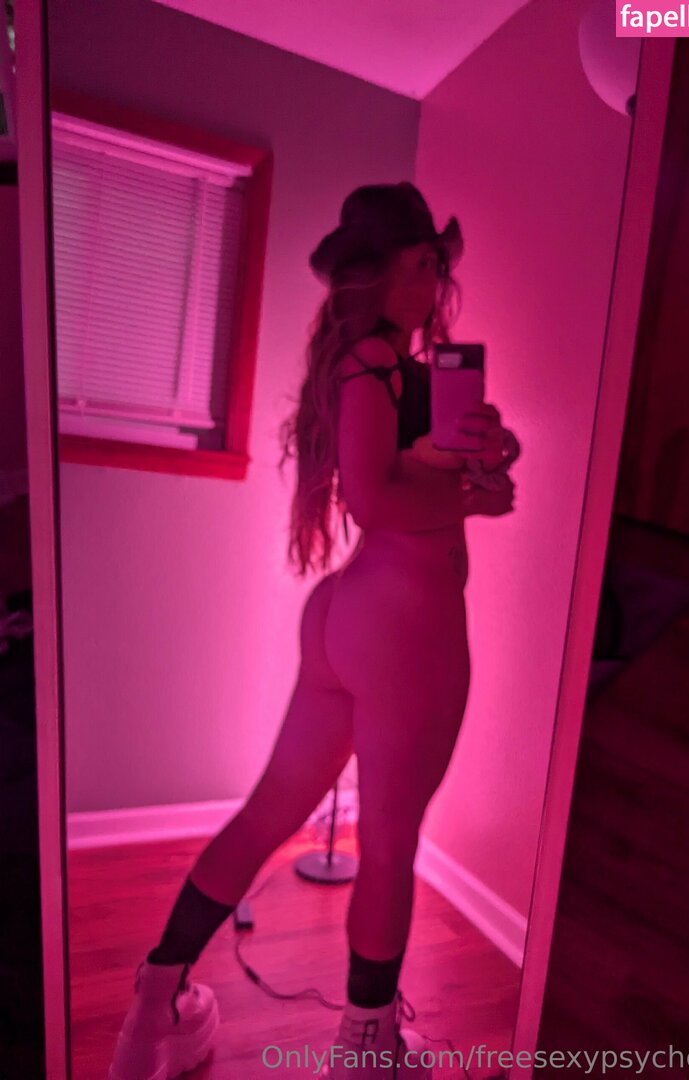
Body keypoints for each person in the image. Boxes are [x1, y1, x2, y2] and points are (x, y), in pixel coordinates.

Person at [107, 181, 519, 1080]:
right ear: (378, 274)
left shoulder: (389, 369)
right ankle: (367, 1050)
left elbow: (406, 481)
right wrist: (473, 504)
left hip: (348, 617)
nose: (437, 278)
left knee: (270, 812)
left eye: (438, 262)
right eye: (423, 261)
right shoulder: (373, 363)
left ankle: (154, 1007)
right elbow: (372, 500)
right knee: (390, 843)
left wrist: (484, 464)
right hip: (404, 624)